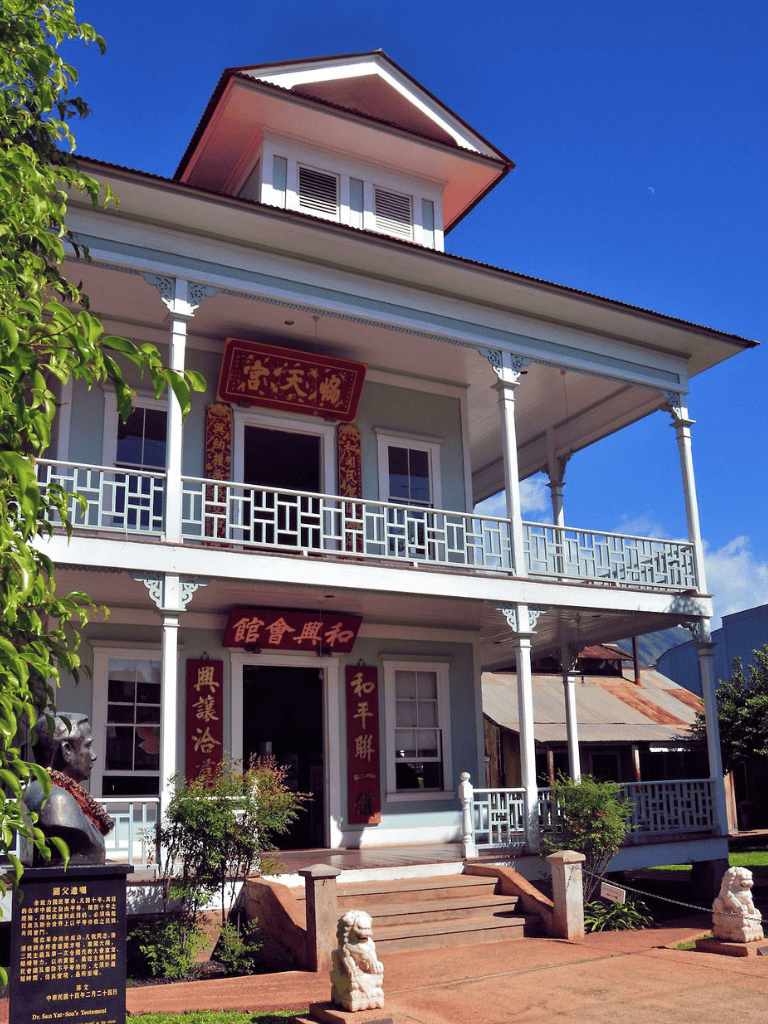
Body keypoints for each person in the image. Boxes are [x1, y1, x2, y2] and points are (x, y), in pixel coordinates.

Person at [22, 713, 114, 866]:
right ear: (67, 751)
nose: (94, 756)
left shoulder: (40, 789)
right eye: (87, 746)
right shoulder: (58, 800)